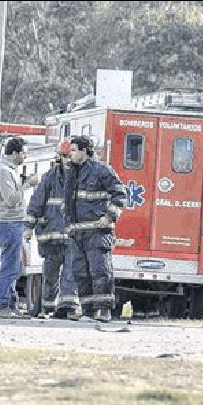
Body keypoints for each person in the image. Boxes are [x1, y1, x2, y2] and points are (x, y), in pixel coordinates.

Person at [63, 135, 127, 323]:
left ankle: (104, 311)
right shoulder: (71, 172)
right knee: (80, 273)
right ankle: (87, 312)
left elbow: (120, 194)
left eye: (74, 150)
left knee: (100, 271)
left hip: (97, 232)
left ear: (84, 151)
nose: (70, 154)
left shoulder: (101, 170)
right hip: (77, 233)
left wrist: (109, 217)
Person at [24, 141, 79, 319]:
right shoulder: (49, 178)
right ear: (59, 157)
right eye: (64, 156)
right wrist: (29, 228)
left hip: (72, 236)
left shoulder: (83, 177)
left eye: (70, 156)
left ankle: (67, 307)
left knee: (71, 271)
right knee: (50, 273)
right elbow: (36, 203)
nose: (67, 160)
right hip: (51, 236)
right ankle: (47, 307)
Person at [0, 137, 39, 318]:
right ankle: (2, 305)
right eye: (24, 152)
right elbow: (11, 199)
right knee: (9, 266)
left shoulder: (11, 170)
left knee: (14, 267)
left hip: (14, 222)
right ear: (14, 153)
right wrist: (27, 185)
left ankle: (11, 305)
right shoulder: (4, 171)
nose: (25, 156)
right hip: (8, 223)